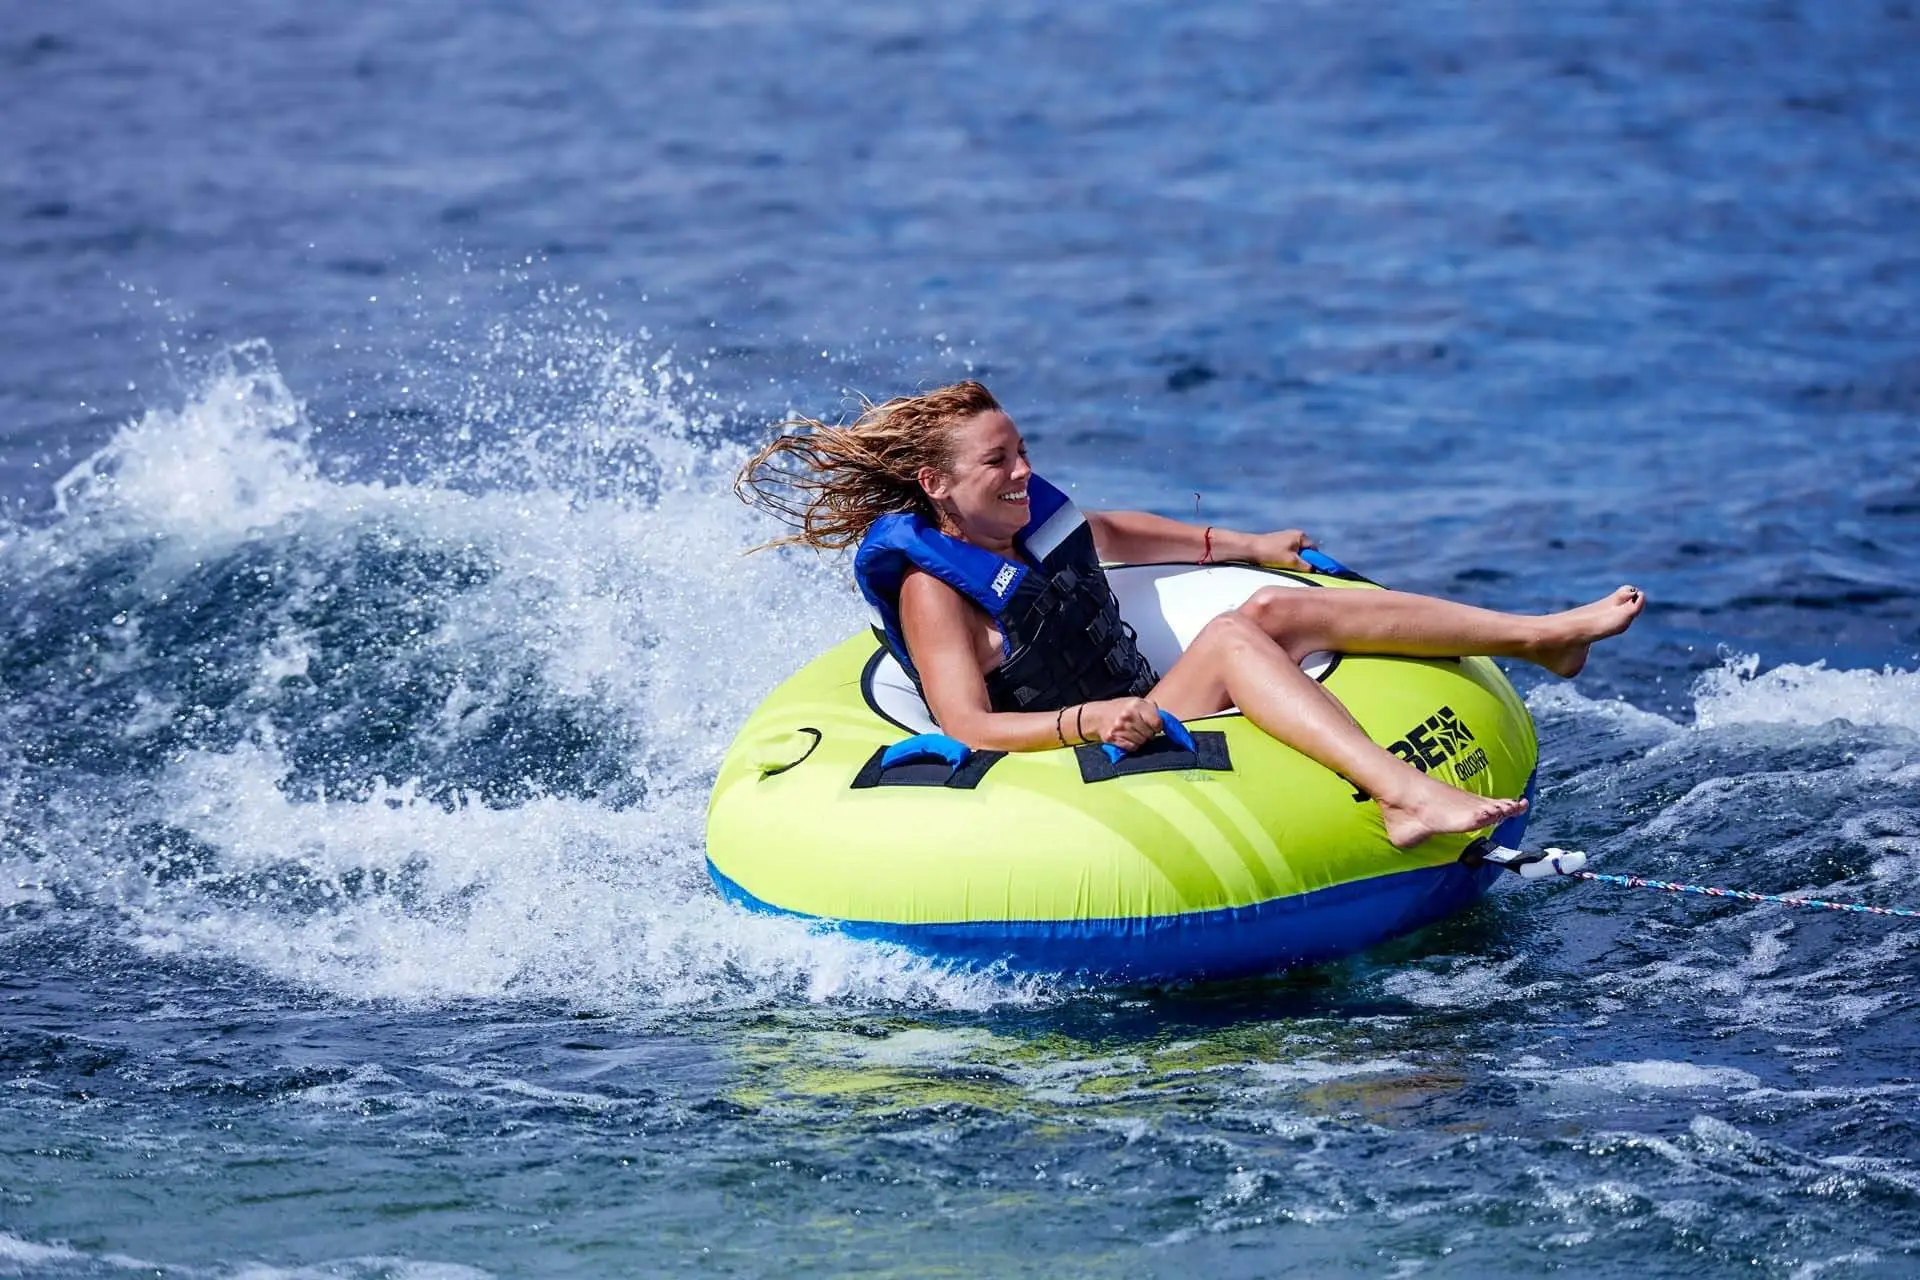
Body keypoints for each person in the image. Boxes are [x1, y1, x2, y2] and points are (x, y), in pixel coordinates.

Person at [738, 380, 1643, 850]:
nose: (1021, 473)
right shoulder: (933, 589)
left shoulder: (1024, 522)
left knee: (1276, 606)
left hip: (1143, 698)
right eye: (996, 464)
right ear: (936, 486)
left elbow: (1107, 531)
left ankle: (1541, 638)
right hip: (1082, 747)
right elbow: (968, 723)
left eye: (1021, 451)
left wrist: (1245, 543)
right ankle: (1403, 798)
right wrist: (1091, 720)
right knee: (1238, 634)